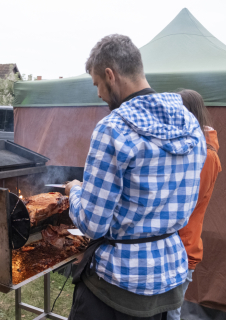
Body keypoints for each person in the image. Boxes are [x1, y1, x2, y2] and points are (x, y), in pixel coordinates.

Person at [65, 34, 207, 320]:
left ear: (110, 75)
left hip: (117, 285)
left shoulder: (113, 129)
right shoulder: (191, 123)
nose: (99, 94)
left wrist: (75, 192)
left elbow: (93, 223)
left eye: (97, 84)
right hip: (169, 277)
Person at [166, 90, 222, 320]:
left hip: (182, 249)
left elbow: (185, 204)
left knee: (170, 315)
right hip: (171, 247)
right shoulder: (189, 150)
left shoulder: (207, 156)